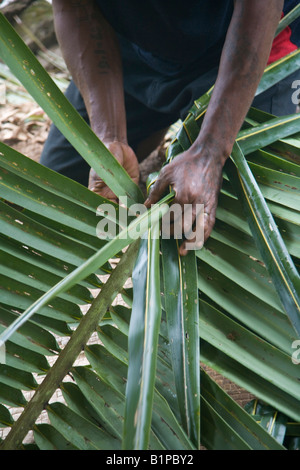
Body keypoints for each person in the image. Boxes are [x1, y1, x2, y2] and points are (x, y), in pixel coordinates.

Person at [40, 0, 300, 254]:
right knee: (57, 189)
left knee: (241, 213)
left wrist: (210, 153)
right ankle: (155, 118)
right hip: (132, 53)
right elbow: (74, 6)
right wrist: (110, 137)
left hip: (247, 42)